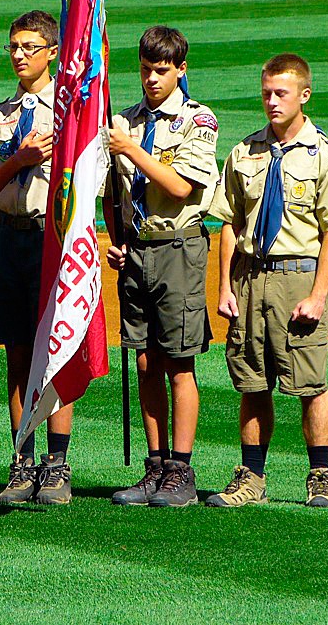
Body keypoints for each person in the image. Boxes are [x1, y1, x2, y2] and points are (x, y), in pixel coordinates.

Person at [206, 54, 328, 508]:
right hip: (250, 278)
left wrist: (318, 295)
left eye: (281, 94)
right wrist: (224, 288)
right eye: (266, 94)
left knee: (310, 383)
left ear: (304, 95)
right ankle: (251, 478)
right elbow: (229, 224)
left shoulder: (324, 157)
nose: (272, 102)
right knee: (252, 382)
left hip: (298, 277)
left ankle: (321, 476)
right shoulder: (244, 152)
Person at [104, 27, 220, 508]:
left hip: (178, 248)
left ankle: (181, 469)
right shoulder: (126, 119)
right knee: (145, 359)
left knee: (178, 361)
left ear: (181, 70)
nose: (152, 79)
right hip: (138, 249)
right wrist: (116, 240)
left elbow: (178, 187)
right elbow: (113, 193)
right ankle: (154, 468)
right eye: (146, 70)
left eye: (162, 70)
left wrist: (131, 148)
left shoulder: (197, 120)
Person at [0, 11, 77, 506]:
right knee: (17, 354)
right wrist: (20, 160)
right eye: (13, 46)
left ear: (52, 52)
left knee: (53, 355)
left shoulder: (71, 110)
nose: (18, 55)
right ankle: (22, 460)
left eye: (29, 47)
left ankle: (57, 465)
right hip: (8, 238)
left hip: (51, 240)